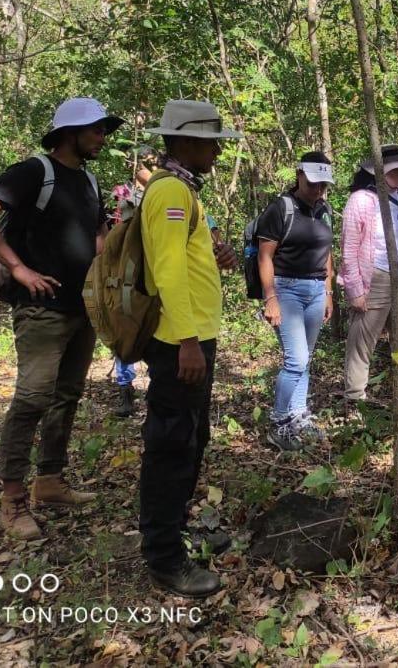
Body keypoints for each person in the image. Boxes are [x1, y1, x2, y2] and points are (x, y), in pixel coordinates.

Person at [0, 97, 123, 539]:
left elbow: (97, 236)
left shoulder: (88, 179)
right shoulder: (34, 172)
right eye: (96, 130)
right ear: (70, 133)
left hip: (80, 308)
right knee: (32, 398)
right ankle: (11, 500)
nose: (102, 138)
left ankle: (49, 481)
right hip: (42, 310)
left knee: (66, 395)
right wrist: (18, 267)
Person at [137, 100, 242, 598]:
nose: (218, 150)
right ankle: (164, 557)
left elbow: (185, 257)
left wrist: (213, 253)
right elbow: (167, 271)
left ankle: (177, 531)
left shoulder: (187, 192)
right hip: (182, 341)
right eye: (210, 141)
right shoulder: (172, 192)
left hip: (195, 335)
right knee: (172, 444)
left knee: (191, 439)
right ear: (183, 142)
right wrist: (186, 341)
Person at [256, 151, 335, 451]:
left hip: (316, 289)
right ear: (299, 175)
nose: (318, 190)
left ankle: (298, 415)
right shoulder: (281, 208)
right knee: (296, 359)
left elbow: (328, 254)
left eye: (323, 184)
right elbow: (265, 256)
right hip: (287, 289)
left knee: (306, 358)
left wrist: (328, 292)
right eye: (313, 183)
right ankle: (279, 423)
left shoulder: (324, 209)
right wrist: (271, 298)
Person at [340, 144, 398, 409]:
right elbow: (350, 247)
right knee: (363, 339)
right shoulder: (361, 200)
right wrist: (355, 288)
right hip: (374, 276)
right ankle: (355, 398)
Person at [108, 154, 155, 418]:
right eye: (146, 164)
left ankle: (155, 381)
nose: (151, 169)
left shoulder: (164, 193)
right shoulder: (121, 194)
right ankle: (125, 390)